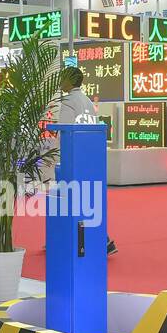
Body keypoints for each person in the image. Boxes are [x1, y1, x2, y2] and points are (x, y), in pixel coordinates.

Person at [55, 64, 117, 256]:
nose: (59, 80)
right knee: (86, 198)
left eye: (63, 77)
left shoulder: (68, 102)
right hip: (88, 155)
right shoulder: (88, 101)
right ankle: (102, 239)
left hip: (71, 156)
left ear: (70, 80)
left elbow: (63, 130)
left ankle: (96, 240)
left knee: (71, 199)